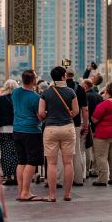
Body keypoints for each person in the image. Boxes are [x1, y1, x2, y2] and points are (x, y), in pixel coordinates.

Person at [39, 66, 79, 201]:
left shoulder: (46, 92)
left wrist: (49, 115)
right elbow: (76, 111)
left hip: (51, 129)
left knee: (52, 163)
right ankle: (67, 194)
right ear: (64, 77)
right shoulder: (71, 91)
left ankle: (52, 195)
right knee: (68, 162)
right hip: (68, 127)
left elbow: (40, 113)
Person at [12, 70, 44, 202]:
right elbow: (39, 116)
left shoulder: (15, 93)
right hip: (31, 131)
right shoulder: (35, 97)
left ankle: (21, 191)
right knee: (31, 162)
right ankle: (26, 192)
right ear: (34, 81)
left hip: (17, 130)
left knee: (21, 161)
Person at [91, 82, 112, 186]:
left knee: (101, 156)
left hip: (103, 134)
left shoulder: (103, 104)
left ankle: (102, 179)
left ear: (106, 92)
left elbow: (95, 119)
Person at [65, 69, 89, 186]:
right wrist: (86, 123)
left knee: (61, 153)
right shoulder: (79, 88)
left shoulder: (57, 88)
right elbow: (85, 109)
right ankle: (78, 178)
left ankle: (60, 179)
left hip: (61, 123)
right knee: (77, 151)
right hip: (75, 123)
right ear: (73, 75)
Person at [0, 79, 19, 186]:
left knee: (5, 153)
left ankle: (8, 177)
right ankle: (16, 176)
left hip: (4, 128)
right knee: (16, 153)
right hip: (17, 128)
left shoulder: (1, 99)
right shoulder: (18, 98)